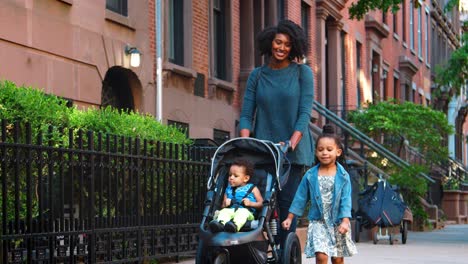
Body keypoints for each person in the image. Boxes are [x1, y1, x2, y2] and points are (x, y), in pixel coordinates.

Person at [239, 19, 315, 244]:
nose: (282, 48)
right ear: (270, 42)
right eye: (278, 42)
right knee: (256, 203)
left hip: (292, 154)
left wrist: (291, 142)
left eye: (288, 44)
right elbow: (246, 113)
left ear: (294, 48)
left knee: (285, 207)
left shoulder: (303, 73)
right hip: (263, 151)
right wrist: (244, 141)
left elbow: (304, 114)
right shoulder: (257, 75)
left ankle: (284, 249)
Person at [282, 125, 357, 264]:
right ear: (316, 152)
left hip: (338, 222)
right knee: (321, 257)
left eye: (329, 149)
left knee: (337, 259)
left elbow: (346, 200)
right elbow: (300, 197)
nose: (325, 153)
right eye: (321, 149)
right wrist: (290, 217)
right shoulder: (310, 175)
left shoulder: (343, 176)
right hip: (318, 222)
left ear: (338, 152)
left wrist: (346, 220)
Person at [209, 158, 263, 233]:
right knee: (224, 211)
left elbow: (262, 203)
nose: (231, 178)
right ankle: (219, 224)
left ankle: (234, 226)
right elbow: (222, 206)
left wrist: (251, 204)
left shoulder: (253, 188)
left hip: (247, 213)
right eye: (230, 175)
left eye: (235, 176)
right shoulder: (228, 190)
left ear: (246, 178)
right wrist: (225, 204)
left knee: (242, 213)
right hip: (231, 211)